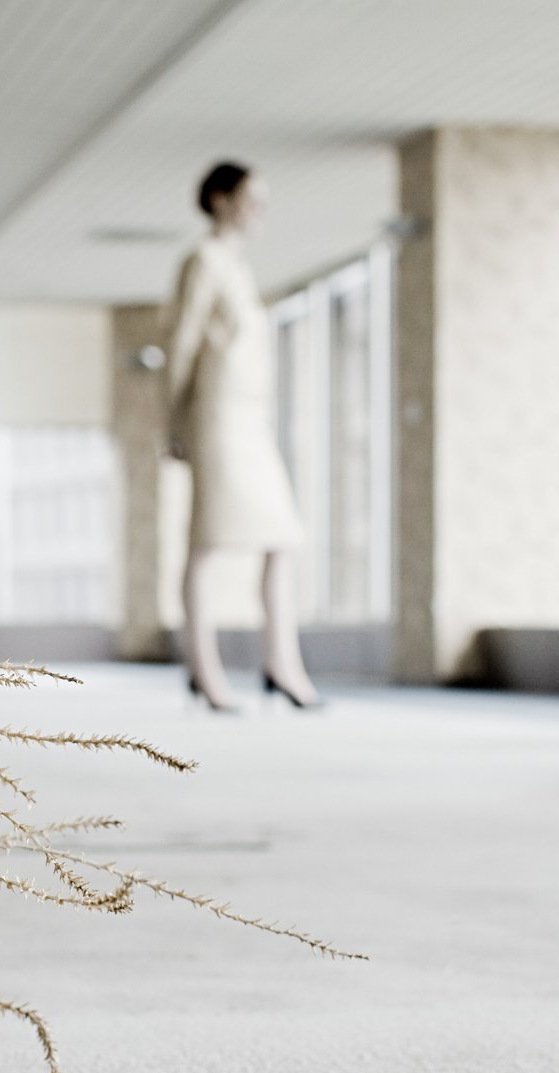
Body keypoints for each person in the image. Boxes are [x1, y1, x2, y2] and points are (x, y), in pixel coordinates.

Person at [162, 161, 321, 712]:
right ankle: (204, 670)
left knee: (282, 537)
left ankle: (283, 664)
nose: (258, 211)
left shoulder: (239, 269)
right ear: (220, 200)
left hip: (251, 421)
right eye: (250, 198)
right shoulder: (202, 262)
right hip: (216, 418)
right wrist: (173, 423)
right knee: (207, 542)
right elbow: (181, 346)